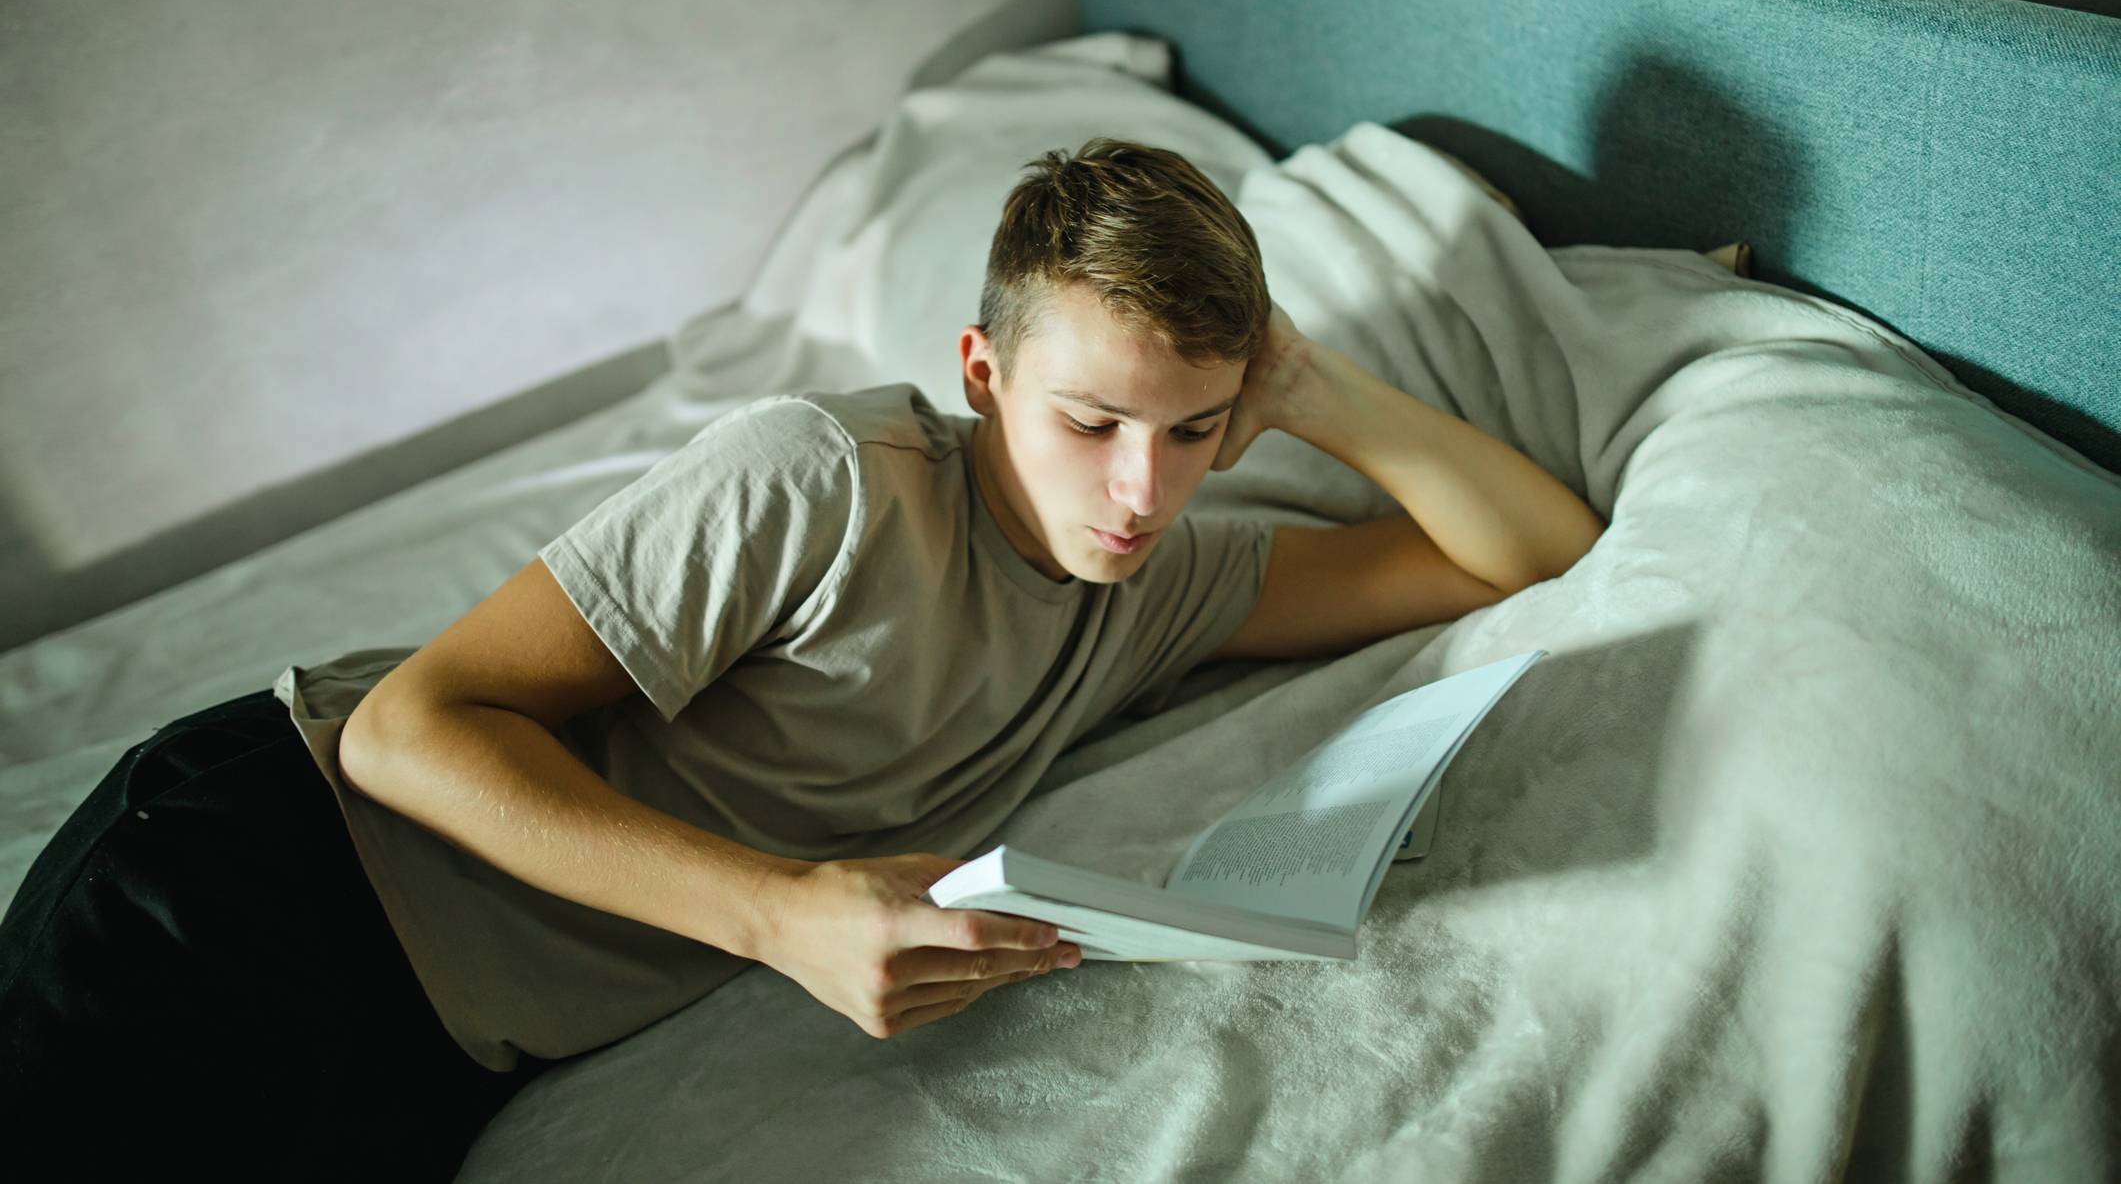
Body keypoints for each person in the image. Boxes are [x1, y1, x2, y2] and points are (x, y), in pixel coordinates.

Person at [0, 140, 1603, 1181]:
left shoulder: (1161, 584)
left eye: (1193, 432)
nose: (1140, 488)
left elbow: (1522, 552)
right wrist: (781, 915)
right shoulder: (826, 476)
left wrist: (1311, 388)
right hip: (253, 885)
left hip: (433, 1043)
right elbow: (410, 733)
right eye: (1090, 421)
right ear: (982, 369)